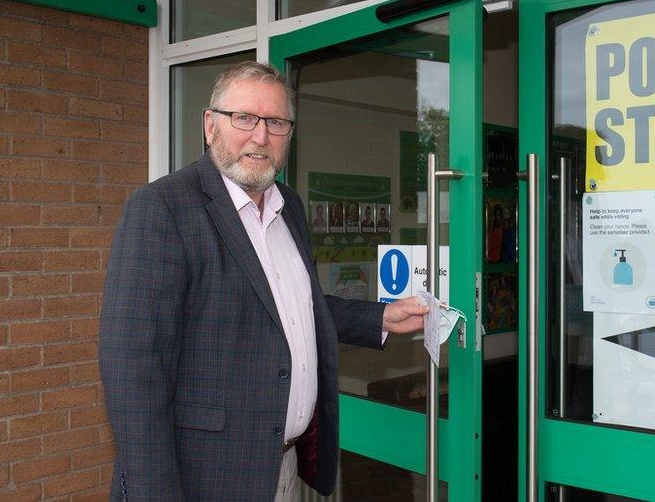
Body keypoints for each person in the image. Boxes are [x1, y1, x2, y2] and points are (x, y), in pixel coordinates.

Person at [99, 61, 428, 501]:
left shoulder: (288, 206)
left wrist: (380, 317)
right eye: (245, 118)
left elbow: (290, 308)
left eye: (275, 122)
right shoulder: (162, 208)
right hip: (203, 477)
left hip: (282, 465)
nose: (260, 136)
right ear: (210, 125)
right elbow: (131, 371)